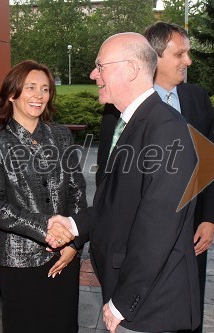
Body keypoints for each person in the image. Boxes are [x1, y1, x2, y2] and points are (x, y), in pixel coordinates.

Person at [47, 33, 201, 333]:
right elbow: (119, 201)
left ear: (130, 69)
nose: (93, 74)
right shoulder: (135, 122)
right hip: (136, 296)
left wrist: (122, 303)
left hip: (149, 306)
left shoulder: (167, 129)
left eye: (100, 66)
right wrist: (74, 224)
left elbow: (157, 229)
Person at [97, 23, 214, 333]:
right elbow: (108, 175)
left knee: (184, 302)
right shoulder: (119, 108)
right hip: (142, 233)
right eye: (180, 53)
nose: (188, 61)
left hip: (190, 229)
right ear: (154, 56)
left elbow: (211, 162)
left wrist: (210, 217)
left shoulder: (196, 98)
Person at [0, 60, 87, 333]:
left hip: (65, 255)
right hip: (20, 260)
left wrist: (75, 241)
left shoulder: (62, 136)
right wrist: (45, 227)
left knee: (63, 326)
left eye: (46, 89)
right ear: (13, 93)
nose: (39, 95)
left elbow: (77, 190)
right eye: (31, 88)